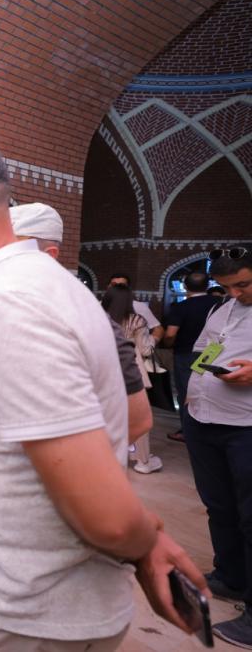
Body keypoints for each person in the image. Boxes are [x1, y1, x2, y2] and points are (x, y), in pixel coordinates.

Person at [0, 138, 206, 649]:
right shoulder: (19, 287)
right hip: (7, 598)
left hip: (22, 615)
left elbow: (102, 508)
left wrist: (144, 543)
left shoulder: (10, 304)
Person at [9, 202, 153, 449]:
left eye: (10, 250)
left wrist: (68, 466)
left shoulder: (83, 316)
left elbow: (137, 421)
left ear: (48, 254)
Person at [182, 247, 252, 647]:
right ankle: (231, 576)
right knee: (220, 506)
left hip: (245, 427)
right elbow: (205, 350)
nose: (235, 294)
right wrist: (204, 376)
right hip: (204, 419)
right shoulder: (221, 310)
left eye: (242, 284)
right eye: (226, 287)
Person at [102, 285, 163, 474]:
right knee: (138, 416)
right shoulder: (137, 320)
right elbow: (145, 350)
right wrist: (154, 338)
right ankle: (142, 461)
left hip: (105, 370)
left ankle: (107, 457)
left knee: (107, 416)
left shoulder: (98, 317)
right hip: (131, 370)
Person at [163, 270, 221, 440]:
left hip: (186, 353)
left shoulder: (182, 307)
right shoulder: (220, 304)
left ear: (185, 286)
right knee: (211, 390)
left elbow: (170, 334)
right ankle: (210, 429)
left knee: (187, 391)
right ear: (208, 285)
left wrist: (167, 344)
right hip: (213, 352)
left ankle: (187, 432)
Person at [109, 274, 165, 343]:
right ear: (108, 287)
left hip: (129, 349)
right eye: (114, 284)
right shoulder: (99, 307)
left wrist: (149, 345)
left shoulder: (139, 306)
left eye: (122, 285)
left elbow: (158, 329)